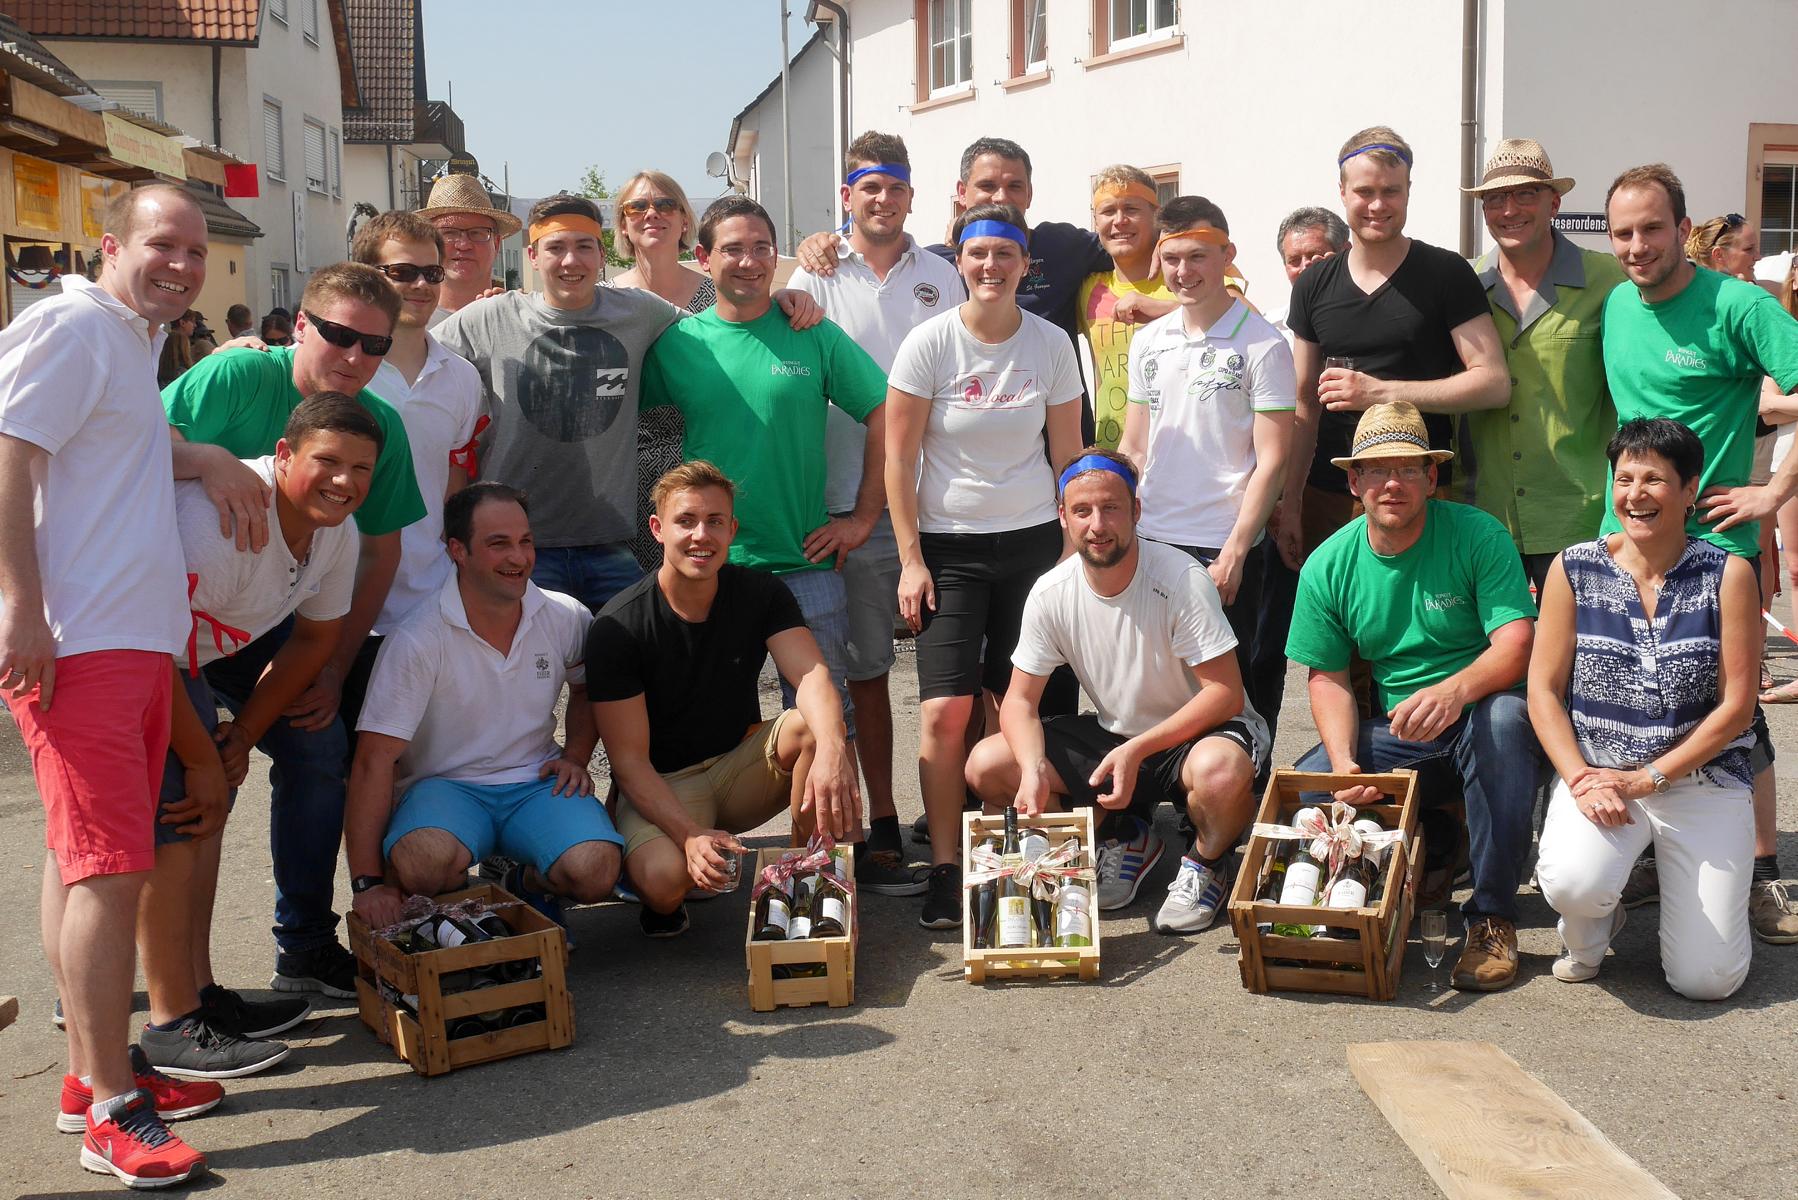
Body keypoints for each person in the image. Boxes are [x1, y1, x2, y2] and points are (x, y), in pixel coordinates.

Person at [0, 183, 210, 1188]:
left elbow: (114, 457)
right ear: (109, 245)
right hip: (80, 643)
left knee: (80, 860)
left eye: (197, 251)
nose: (183, 265)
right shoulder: (72, 324)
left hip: (124, 640)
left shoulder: (129, 339)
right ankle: (115, 1116)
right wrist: (19, 605)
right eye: (164, 244)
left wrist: (207, 460)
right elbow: (8, 451)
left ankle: (94, 1075)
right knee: (110, 872)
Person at [162, 262, 426, 999]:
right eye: (338, 334)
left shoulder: (378, 427)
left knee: (318, 746)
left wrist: (331, 671)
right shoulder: (238, 377)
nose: (354, 356)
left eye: (374, 345)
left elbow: (377, 552)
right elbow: (125, 452)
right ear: (300, 325)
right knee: (177, 790)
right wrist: (207, 459)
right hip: (165, 608)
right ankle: (130, 970)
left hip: (263, 616)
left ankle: (304, 947)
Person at [138, 394, 377, 1083]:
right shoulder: (219, 526)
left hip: (191, 653)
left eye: (361, 468)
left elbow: (314, 640)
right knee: (182, 813)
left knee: (214, 805)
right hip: (128, 650)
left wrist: (241, 734)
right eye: (327, 461)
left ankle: (201, 993)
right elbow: (151, 649)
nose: (345, 481)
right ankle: (172, 1022)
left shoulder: (336, 532)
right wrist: (202, 757)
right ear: (282, 456)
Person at [1600, 163, 1798, 944]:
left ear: (1684, 230)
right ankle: (1660, 854)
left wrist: (1773, 493)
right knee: (1644, 703)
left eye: (1652, 229)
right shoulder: (1618, 303)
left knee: (1735, 710)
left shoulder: (1738, 305)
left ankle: (1763, 874)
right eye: (1623, 233)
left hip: (1714, 548)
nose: (1637, 246)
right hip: (1627, 544)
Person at [1287, 401, 1540, 991]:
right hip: (1404, 732)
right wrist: (1345, 763)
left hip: (1484, 710)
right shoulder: (1328, 564)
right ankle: (1402, 869)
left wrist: (1454, 691)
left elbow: (1516, 645)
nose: (1392, 483)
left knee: (1504, 721)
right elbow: (1325, 676)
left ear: (1431, 477)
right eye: (1377, 470)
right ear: (1354, 482)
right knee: (1309, 789)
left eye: (1407, 469)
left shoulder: (1477, 534)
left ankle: (1493, 917)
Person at [884, 202, 1086, 929]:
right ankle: (945, 866)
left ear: (1025, 264)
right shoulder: (930, 343)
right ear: (960, 261)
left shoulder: (1051, 343)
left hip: (1033, 545)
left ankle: (1026, 852)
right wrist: (911, 559)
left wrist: (1070, 551)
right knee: (945, 713)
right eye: (978, 254)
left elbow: (1068, 455)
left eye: (1005, 254)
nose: (991, 266)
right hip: (949, 549)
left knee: (1022, 708)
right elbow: (898, 460)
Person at [966, 449, 1269, 929]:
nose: (1097, 525)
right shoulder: (1051, 592)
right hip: (1118, 737)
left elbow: (1225, 694)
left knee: (1220, 774)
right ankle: (1125, 837)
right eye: (1082, 511)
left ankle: (1207, 863)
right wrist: (1032, 768)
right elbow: (1019, 701)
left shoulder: (1181, 577)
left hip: (1203, 733)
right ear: (1062, 516)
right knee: (988, 763)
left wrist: (1137, 749)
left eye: (1111, 508)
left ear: (1136, 511)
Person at [788, 131, 965, 896]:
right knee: (866, 671)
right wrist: (800, 265)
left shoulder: (944, 275)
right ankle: (884, 819)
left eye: (895, 187)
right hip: (849, 502)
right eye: (869, 187)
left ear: (912, 196)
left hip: (942, 502)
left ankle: (961, 819)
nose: (883, 199)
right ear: (847, 197)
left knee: (955, 676)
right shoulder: (817, 272)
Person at [637, 195, 887, 726]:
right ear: (703, 258)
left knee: (824, 723)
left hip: (804, 563)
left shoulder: (810, 332)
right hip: (711, 566)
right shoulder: (679, 343)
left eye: (761, 248)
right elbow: (619, 417)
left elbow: (888, 411)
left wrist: (863, 518)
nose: (748, 261)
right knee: (709, 725)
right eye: (732, 249)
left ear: (776, 256)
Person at [1530, 418, 1758, 998]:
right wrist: (1580, 778)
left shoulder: (1729, 574)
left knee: (1707, 981)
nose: (1636, 494)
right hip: (1602, 777)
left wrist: (1651, 777)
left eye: (1654, 479)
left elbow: (1737, 707)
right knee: (1574, 883)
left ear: (1689, 489)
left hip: (1701, 781)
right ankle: (1590, 929)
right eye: (1624, 478)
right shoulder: (1573, 568)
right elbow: (1544, 691)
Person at [587, 462, 862, 937]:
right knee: (664, 883)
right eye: (686, 521)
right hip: (664, 781)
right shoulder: (619, 625)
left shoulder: (760, 591)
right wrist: (689, 834)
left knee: (813, 728)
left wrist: (835, 749)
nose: (701, 535)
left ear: (732, 530)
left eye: (714, 521)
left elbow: (811, 674)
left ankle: (801, 877)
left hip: (737, 766)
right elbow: (629, 764)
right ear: (657, 529)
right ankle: (655, 868)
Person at [347, 483, 619, 934]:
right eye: (498, 544)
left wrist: (575, 756)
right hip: (443, 787)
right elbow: (373, 760)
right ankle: (468, 906)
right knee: (421, 865)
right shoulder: (417, 637)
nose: (519, 557)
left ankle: (520, 884)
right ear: (458, 550)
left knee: (596, 871)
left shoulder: (566, 615)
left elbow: (586, 688)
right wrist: (367, 882)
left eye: (525, 541)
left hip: (535, 781)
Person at [1284, 125, 1508, 564]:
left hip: (1421, 492)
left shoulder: (1446, 273)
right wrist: (1291, 503)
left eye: (1391, 191)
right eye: (1364, 191)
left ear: (1408, 191)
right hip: (1330, 497)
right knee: (1333, 608)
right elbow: (1304, 404)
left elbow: (1494, 383)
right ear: (1342, 192)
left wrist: (1380, 392)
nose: (1377, 205)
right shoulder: (1313, 284)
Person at [797, 136, 1111, 438]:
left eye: (1014, 186)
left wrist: (1139, 300)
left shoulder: (1062, 244)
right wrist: (811, 257)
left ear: (1030, 194)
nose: (1001, 197)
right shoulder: (940, 265)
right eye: (987, 186)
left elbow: (1128, 248)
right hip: (949, 455)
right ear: (962, 193)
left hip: (1056, 450)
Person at [1118, 195, 1295, 722]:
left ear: (1227, 255)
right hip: (1153, 539)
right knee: (1158, 689)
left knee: (1235, 695)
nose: (1183, 271)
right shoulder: (1149, 341)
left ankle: (1246, 775)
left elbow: (1273, 459)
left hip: (1223, 545)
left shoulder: (1264, 345)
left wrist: (1235, 552)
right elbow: (1134, 445)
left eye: (1197, 256)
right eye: (1172, 259)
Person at [338, 211, 484, 731]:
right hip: (331, 601)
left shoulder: (462, 378)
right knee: (328, 762)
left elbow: (453, 482)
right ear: (368, 275)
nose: (421, 285)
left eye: (432, 272)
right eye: (402, 272)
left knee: (422, 757)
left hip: (425, 603)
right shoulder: (334, 365)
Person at [1462, 138, 1628, 594]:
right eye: (1495, 198)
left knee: (1585, 642)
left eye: (1525, 194)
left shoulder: (1609, 280)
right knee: (1494, 641)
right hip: (1485, 516)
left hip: (1582, 516)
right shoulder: (1463, 284)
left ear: (1554, 203)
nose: (1509, 209)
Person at [1251, 207, 1349, 742]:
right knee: (1271, 637)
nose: (1307, 267)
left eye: (1319, 255)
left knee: (1353, 635)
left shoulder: (1363, 315)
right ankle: (1258, 747)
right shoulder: (1267, 330)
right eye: (1296, 259)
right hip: (1291, 495)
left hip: (1355, 493)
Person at [609, 170, 715, 574]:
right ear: (623, 224)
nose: (651, 213)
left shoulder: (718, 295)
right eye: (637, 206)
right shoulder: (603, 301)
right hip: (626, 474)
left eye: (666, 204)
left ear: (684, 220)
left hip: (707, 462)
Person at [1077, 165, 1176, 449]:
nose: (1119, 221)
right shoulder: (1088, 288)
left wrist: (1162, 308)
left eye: (1131, 209)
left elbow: (1244, 316)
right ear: (1095, 221)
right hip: (1113, 455)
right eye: (1108, 211)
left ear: (1156, 215)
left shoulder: (1186, 275)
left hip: (1178, 453)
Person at [415, 172, 522, 325]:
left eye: (477, 233)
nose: (463, 245)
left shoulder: (520, 319)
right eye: (449, 233)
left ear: (496, 244)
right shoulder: (402, 326)